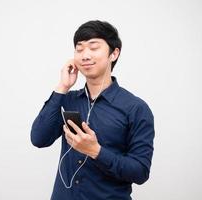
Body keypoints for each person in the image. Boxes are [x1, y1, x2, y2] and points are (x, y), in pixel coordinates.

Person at [30, 20, 155, 200]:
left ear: (114, 53)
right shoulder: (67, 99)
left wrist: (96, 151)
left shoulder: (136, 108)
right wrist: (62, 87)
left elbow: (140, 172)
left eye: (93, 47)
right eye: (79, 49)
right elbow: (39, 139)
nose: (85, 55)